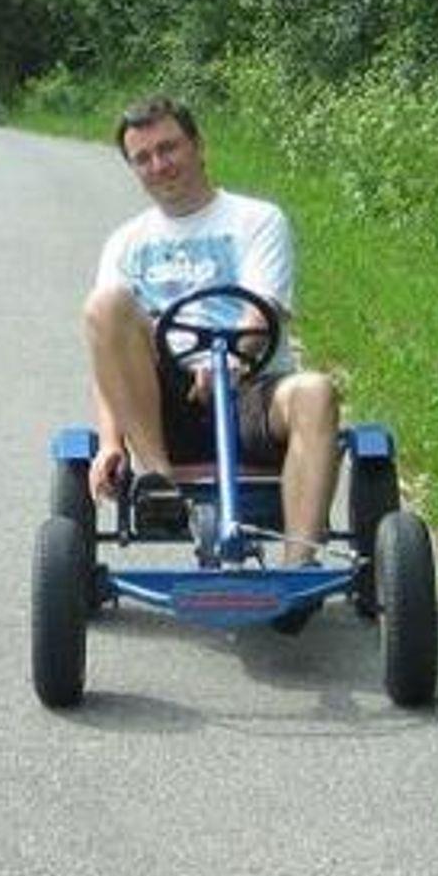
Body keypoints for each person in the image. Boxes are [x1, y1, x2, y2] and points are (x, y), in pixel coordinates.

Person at [84, 96, 341, 580]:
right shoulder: (125, 243)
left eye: (169, 148)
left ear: (198, 146)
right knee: (105, 304)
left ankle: (297, 568)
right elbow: (109, 356)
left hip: (251, 390)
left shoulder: (257, 219)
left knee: (317, 391)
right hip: (163, 404)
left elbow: (262, 307)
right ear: (133, 168)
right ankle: (158, 482)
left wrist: (234, 358)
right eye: (143, 157)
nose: (159, 165)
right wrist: (110, 442)